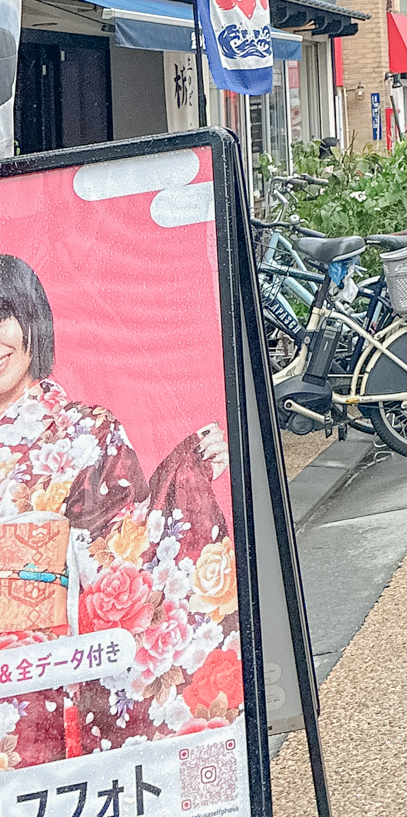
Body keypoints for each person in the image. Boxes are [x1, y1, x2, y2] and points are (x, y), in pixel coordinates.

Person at [0, 254, 240, 766]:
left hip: (45, 670)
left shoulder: (84, 431)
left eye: (1, 317)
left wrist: (190, 468)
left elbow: (127, 549)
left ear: (30, 322)